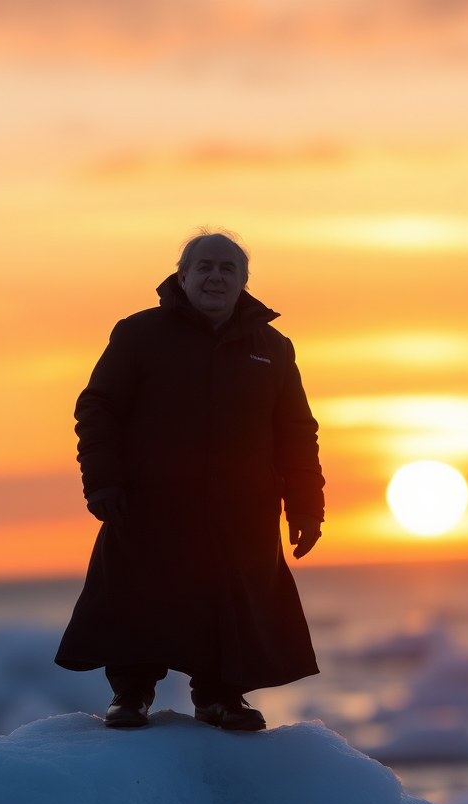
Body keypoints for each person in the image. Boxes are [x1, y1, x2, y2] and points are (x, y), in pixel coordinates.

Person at [54, 229, 325, 731]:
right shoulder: (139, 334)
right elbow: (98, 407)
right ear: (182, 276)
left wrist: (306, 505)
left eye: (228, 269)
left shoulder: (273, 347)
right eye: (204, 267)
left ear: (244, 282)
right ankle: (131, 696)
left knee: (231, 603)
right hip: (148, 503)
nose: (215, 276)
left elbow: (295, 430)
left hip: (242, 511)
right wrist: (103, 480)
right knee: (138, 596)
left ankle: (220, 698)